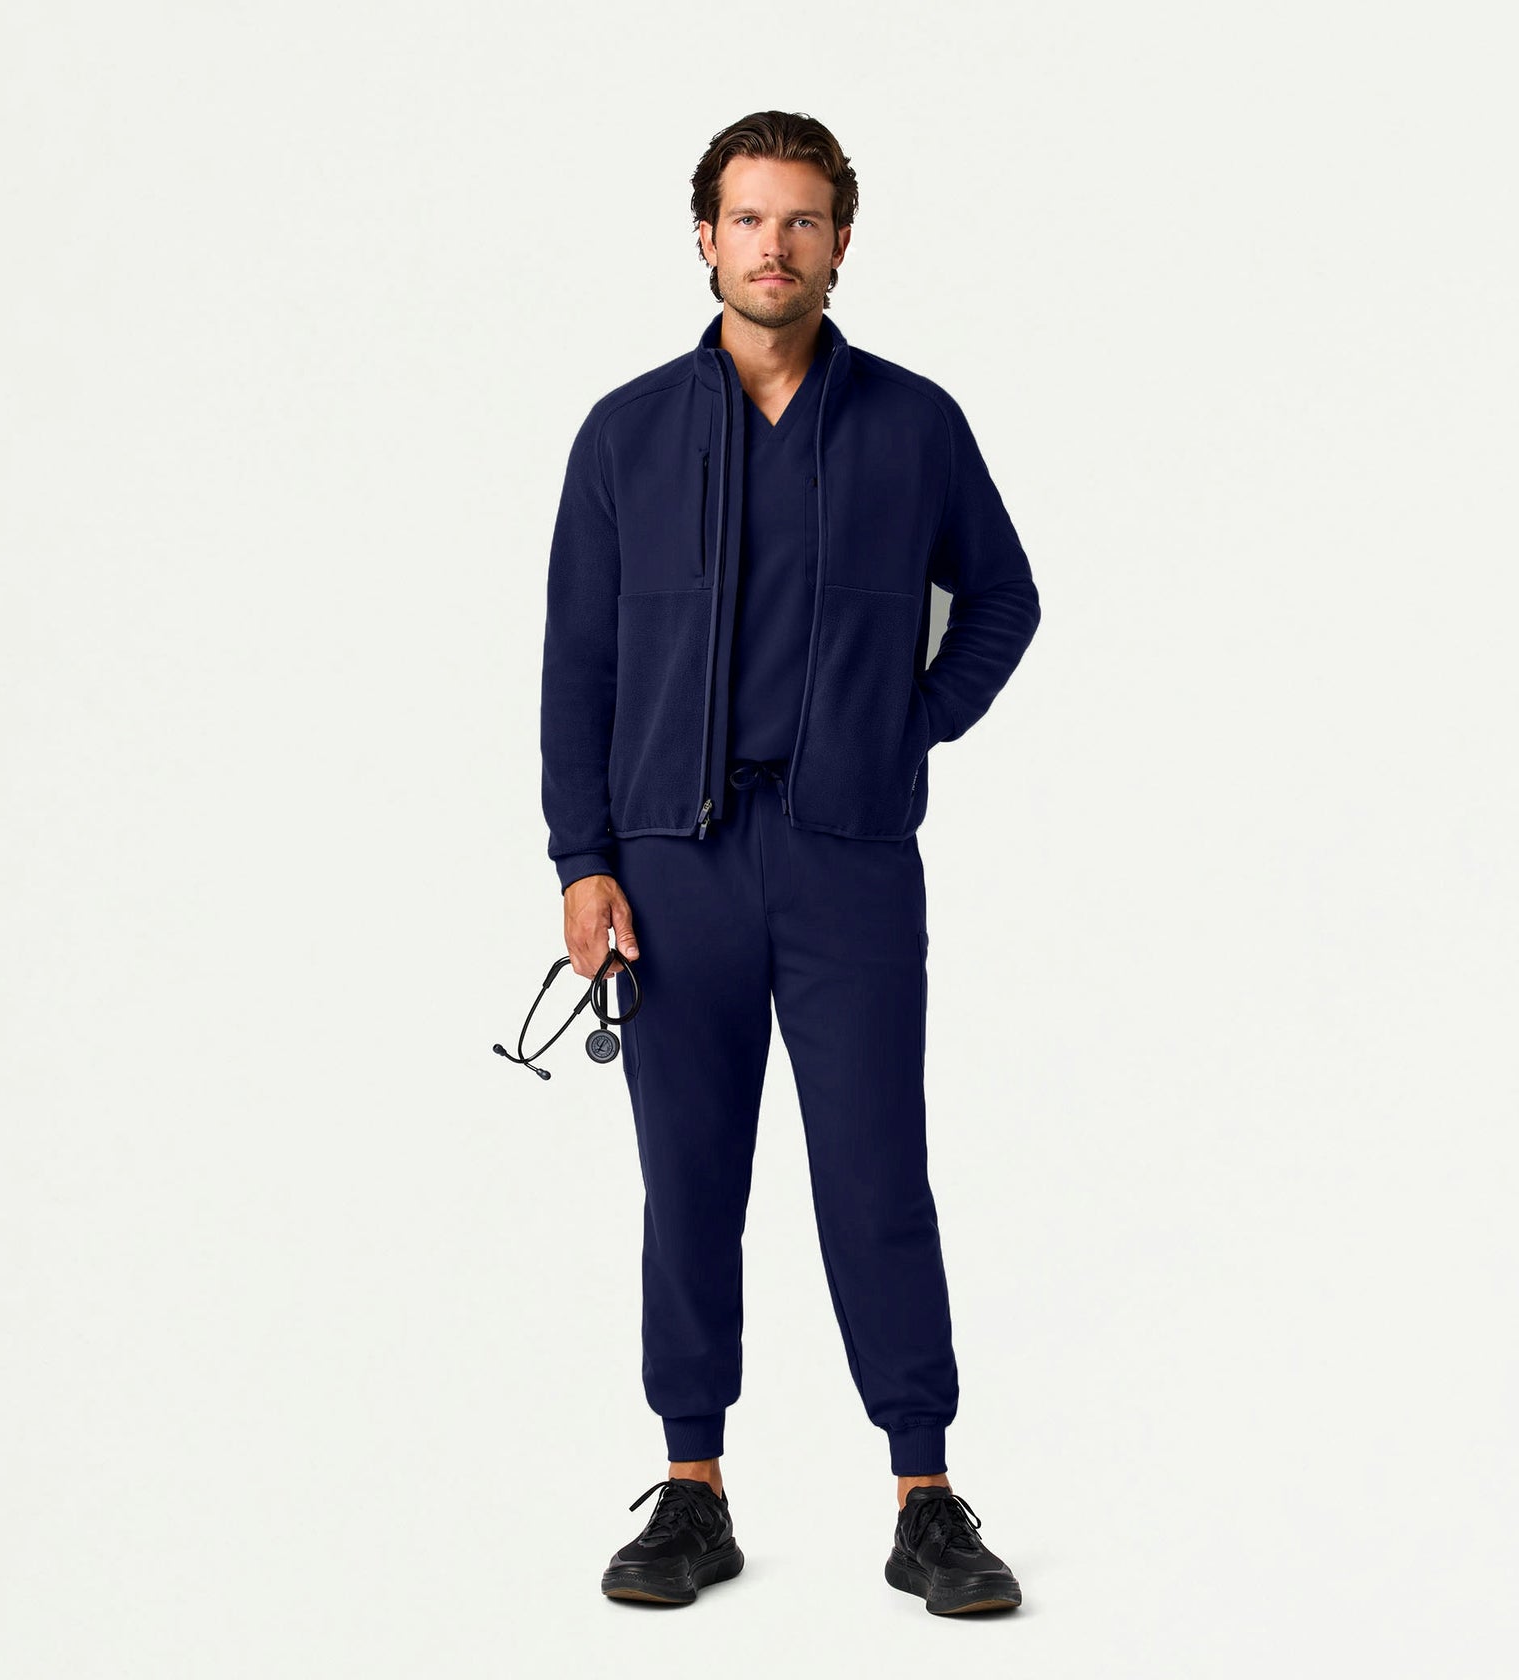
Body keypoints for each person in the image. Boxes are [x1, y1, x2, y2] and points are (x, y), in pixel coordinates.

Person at [538, 110, 1040, 1616]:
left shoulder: (913, 424)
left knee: (877, 1176)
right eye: (750, 219)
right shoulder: (625, 435)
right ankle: (691, 1489)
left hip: (848, 859)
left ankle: (924, 1494)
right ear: (706, 239)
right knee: (689, 1183)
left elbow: (1004, 600)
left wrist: (904, 727)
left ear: (841, 240)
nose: (776, 246)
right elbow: (578, 664)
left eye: (803, 220)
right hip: (671, 865)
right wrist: (582, 859)